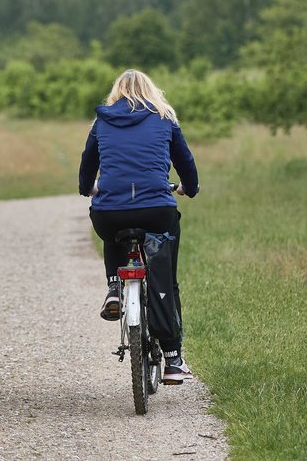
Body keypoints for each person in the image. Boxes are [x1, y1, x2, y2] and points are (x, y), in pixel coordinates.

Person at [78, 69, 199, 384]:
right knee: (166, 279)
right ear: (151, 91)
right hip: (157, 211)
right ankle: (173, 359)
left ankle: (114, 288)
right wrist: (189, 188)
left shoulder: (101, 122)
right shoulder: (164, 118)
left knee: (113, 228)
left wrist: (89, 188)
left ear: (116, 92)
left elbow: (86, 168)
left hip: (110, 214)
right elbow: (186, 162)